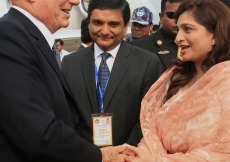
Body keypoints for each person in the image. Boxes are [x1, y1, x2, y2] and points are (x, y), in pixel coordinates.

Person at [0, 0, 127, 161]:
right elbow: (38, 131)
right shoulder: (9, 35)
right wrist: (99, 156)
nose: (75, 1)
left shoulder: (28, 37)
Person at [122, 0, 230, 161]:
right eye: (178, 29)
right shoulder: (175, 77)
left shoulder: (226, 82)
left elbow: (223, 152)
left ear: (214, 35)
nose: (178, 38)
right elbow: (152, 131)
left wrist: (157, 161)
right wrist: (140, 155)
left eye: (188, 29)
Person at [62, 0, 162, 147]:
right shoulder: (70, 64)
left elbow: (149, 119)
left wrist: (124, 154)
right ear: (89, 23)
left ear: (126, 25)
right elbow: (65, 115)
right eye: (97, 23)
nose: (104, 30)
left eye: (113, 24)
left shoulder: (147, 63)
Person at [130, 0, 183, 72]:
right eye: (172, 15)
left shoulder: (198, 45)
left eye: (182, 15)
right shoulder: (139, 47)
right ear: (161, 17)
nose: (177, 20)